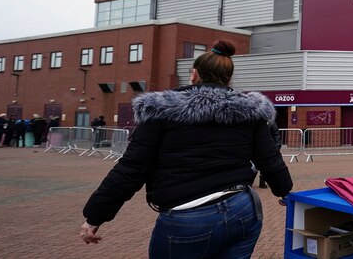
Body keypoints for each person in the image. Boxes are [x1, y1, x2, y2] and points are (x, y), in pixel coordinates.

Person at [80, 40, 293, 257]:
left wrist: (96, 215)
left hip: (188, 217)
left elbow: (132, 168)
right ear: (228, 78)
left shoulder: (161, 110)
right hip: (242, 209)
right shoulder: (250, 112)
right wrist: (284, 191)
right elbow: (269, 158)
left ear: (194, 74)